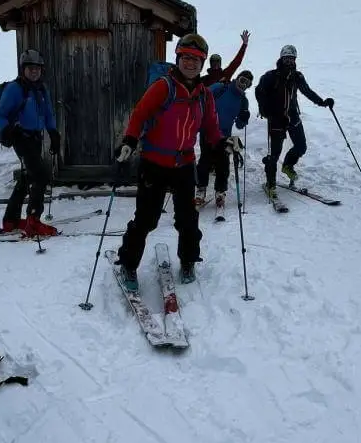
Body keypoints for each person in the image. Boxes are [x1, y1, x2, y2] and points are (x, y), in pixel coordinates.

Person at [112, 33, 237, 287]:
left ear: (202, 64)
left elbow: (212, 129)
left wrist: (224, 142)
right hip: (154, 163)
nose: (190, 63)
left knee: (187, 219)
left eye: (196, 59)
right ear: (178, 58)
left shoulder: (205, 95)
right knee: (146, 219)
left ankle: (189, 260)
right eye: (186, 58)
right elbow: (140, 114)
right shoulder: (163, 87)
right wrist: (129, 141)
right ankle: (128, 264)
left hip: (184, 165)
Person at [0, 49, 61, 237]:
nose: (34, 71)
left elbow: (47, 113)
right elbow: (1, 114)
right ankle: (33, 220)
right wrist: (7, 129)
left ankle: (10, 220)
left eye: (37, 68)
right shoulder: (15, 89)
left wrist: (53, 132)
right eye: (30, 68)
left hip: (36, 138)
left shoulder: (41, 89)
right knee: (40, 175)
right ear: (23, 69)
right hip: (21, 138)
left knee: (27, 177)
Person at [254, 45, 334, 198]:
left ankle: (288, 166)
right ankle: (271, 184)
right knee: (275, 153)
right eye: (287, 58)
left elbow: (307, 91)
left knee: (301, 146)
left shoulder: (297, 76)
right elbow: (260, 93)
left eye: (292, 58)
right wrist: (266, 111)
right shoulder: (271, 76)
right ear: (281, 58)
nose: (289, 61)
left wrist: (322, 102)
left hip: (293, 116)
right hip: (277, 119)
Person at [196, 70, 253, 208]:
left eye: (247, 83)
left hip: (224, 135)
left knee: (223, 163)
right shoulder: (221, 88)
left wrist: (244, 118)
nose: (243, 84)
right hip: (207, 130)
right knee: (205, 160)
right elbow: (202, 96)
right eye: (242, 80)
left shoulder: (243, 101)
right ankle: (200, 191)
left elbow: (239, 125)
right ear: (237, 78)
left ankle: (220, 192)